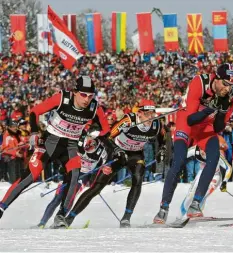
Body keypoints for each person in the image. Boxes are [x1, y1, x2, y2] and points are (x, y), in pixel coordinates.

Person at [0, 76, 110, 227]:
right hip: (50, 142)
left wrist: (94, 138)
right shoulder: (62, 98)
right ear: (75, 92)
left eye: (90, 96)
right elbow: (34, 112)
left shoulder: (94, 108)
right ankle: (1, 207)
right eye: (83, 95)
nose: (87, 99)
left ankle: (61, 215)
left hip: (70, 146)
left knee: (74, 175)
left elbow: (106, 130)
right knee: (31, 176)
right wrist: (33, 132)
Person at [154, 63, 233, 224]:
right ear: (216, 78)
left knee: (214, 158)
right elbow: (190, 119)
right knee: (178, 161)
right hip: (187, 122)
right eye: (226, 84)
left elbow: (218, 127)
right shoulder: (199, 83)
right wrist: (209, 109)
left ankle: (195, 204)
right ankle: (163, 208)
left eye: (231, 85)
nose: (228, 89)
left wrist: (221, 112)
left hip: (206, 126)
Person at [65, 99, 167, 228]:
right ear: (139, 113)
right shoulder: (129, 120)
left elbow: (163, 137)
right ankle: (70, 218)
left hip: (135, 154)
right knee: (97, 187)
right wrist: (117, 150)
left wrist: (162, 150)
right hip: (117, 153)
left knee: (138, 177)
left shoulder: (156, 124)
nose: (150, 117)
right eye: (147, 114)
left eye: (153, 114)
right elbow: (108, 137)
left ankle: (126, 218)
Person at [35, 126, 109, 228]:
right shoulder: (78, 142)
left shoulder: (102, 152)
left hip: (83, 175)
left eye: (92, 140)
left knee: (70, 198)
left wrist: (98, 176)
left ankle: (59, 221)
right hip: (71, 172)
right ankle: (42, 223)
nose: (90, 142)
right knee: (58, 198)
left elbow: (102, 166)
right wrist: (62, 168)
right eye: (88, 138)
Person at [180, 145, 232, 216]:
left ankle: (196, 211)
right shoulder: (195, 150)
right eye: (201, 149)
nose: (203, 152)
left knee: (203, 194)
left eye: (205, 150)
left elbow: (228, 168)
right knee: (191, 193)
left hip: (215, 175)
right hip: (203, 172)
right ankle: (183, 213)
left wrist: (224, 182)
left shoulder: (216, 154)